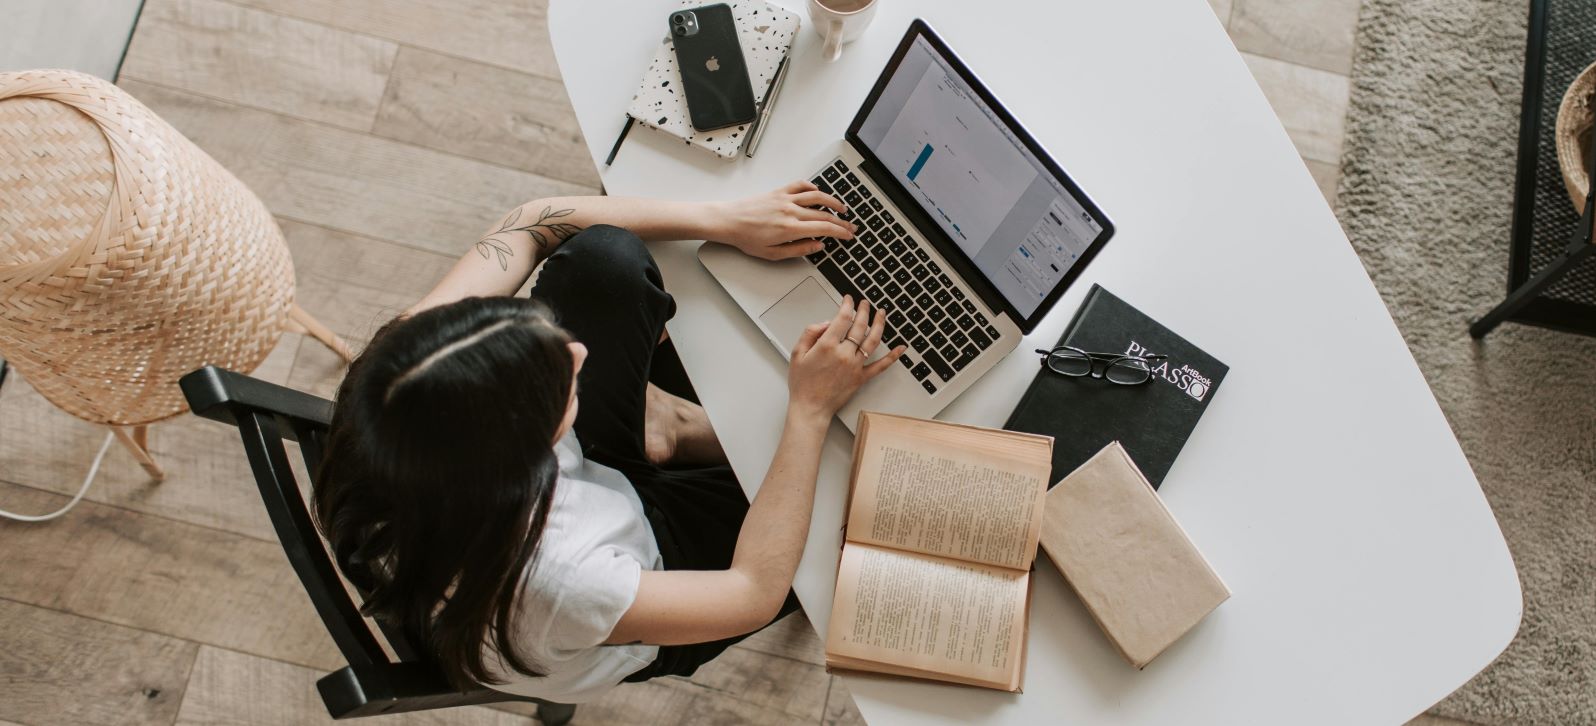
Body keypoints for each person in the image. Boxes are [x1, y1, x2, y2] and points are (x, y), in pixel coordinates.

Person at [312, 181, 905, 704]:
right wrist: (807, 411)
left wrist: (724, 219)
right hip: (647, 576)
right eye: (558, 385)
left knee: (602, 259)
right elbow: (751, 592)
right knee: (856, 504)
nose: (577, 352)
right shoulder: (565, 580)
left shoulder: (402, 377)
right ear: (526, 458)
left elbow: (528, 224)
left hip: (561, 501)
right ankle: (674, 431)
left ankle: (665, 429)